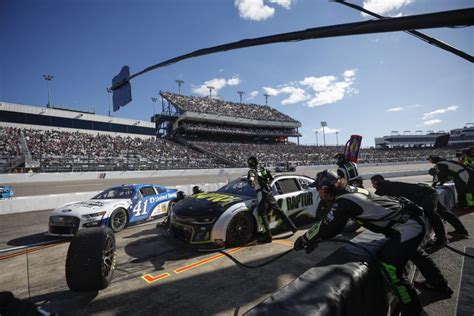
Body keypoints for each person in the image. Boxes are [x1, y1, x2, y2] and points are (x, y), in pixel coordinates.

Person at [295, 170, 452, 316]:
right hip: (409, 221)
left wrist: (305, 239)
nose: (317, 191)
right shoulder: (353, 190)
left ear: (326, 187)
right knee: (415, 252)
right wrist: (319, 237)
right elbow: (334, 227)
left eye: (318, 188)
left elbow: (327, 225)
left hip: (408, 226)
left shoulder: (343, 201)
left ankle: (414, 311)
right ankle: (438, 285)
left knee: (390, 267)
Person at [370, 174, 454, 248]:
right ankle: (460, 230)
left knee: (431, 214)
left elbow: (375, 199)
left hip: (427, 193)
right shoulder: (387, 185)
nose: (373, 186)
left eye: (373, 183)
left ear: (377, 182)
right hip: (425, 193)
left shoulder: (384, 188)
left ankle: (442, 239)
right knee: (440, 212)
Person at [247, 156, 298, 243]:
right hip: (269, 193)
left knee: (262, 214)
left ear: (251, 163)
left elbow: (251, 180)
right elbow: (271, 178)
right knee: (279, 211)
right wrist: (269, 186)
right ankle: (293, 227)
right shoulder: (263, 169)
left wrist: (251, 181)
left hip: (261, 193)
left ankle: (268, 236)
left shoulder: (252, 171)